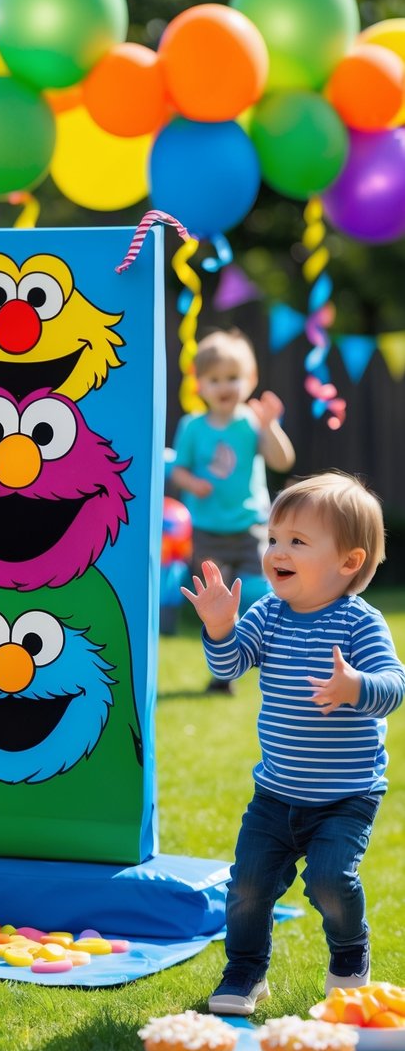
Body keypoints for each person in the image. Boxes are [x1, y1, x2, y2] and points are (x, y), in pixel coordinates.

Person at [181, 471, 405, 1015]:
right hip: (277, 792)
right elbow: (231, 664)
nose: (277, 552)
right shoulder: (268, 614)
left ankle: (350, 957)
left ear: (348, 563)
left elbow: (394, 688)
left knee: (331, 880)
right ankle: (245, 973)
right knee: (248, 888)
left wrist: (355, 686)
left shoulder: (360, 624)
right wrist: (218, 629)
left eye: (297, 542)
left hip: (346, 795)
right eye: (274, 539)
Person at [170, 329, 296, 693]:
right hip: (208, 529)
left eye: (233, 378)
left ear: (251, 380)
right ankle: (223, 672)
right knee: (217, 604)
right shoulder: (192, 426)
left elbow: (282, 459)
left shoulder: (252, 423)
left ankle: (271, 655)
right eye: (214, 379)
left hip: (249, 527)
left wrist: (270, 426)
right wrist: (192, 484)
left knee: (263, 591)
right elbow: (177, 468)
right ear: (199, 385)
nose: (224, 386)